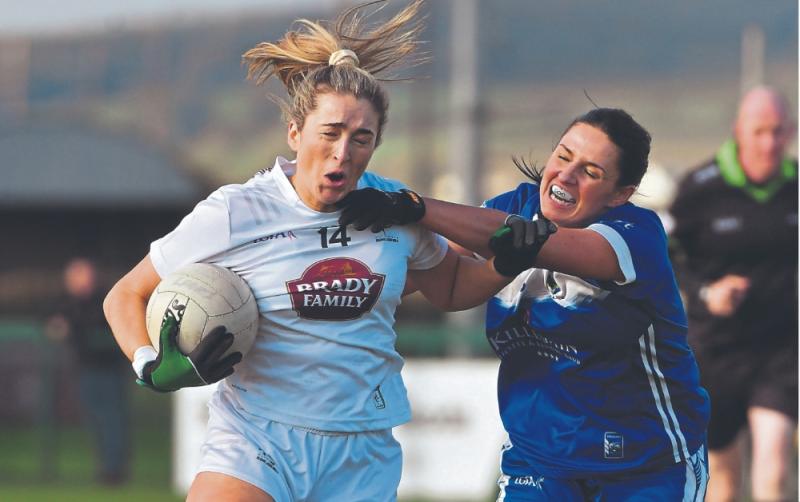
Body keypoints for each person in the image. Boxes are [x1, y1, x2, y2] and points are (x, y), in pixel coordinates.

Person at [102, 2, 515, 501]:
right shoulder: (236, 212)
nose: (344, 152)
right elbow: (125, 294)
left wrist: (504, 266)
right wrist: (149, 364)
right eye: (331, 133)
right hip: (257, 435)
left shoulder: (394, 209)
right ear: (295, 133)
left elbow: (450, 286)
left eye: (361, 138)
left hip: (361, 447)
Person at [338, 107, 711, 500]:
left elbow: (537, 244)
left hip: (646, 464)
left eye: (591, 172)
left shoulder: (636, 236)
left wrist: (415, 207)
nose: (566, 176)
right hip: (538, 460)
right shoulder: (513, 204)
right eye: (563, 156)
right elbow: (424, 266)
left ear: (621, 194)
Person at [668, 86, 797, 502]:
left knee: (773, 464)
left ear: (791, 132)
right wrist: (707, 294)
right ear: (738, 131)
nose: (769, 142)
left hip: (781, 349)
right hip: (716, 348)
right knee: (723, 475)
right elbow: (668, 260)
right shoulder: (700, 188)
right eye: (759, 131)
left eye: (778, 132)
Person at [46, 257, 130, 485]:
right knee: (94, 421)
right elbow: (56, 325)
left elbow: (93, 324)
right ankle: (104, 468)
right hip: (85, 370)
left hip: (109, 371)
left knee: (112, 420)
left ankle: (115, 471)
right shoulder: (66, 303)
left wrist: (71, 328)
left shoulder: (104, 299)